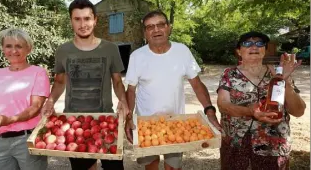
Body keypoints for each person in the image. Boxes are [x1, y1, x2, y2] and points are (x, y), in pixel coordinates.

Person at [124, 10, 222, 170]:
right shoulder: (137, 56)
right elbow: (131, 90)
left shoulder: (182, 51)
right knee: (151, 165)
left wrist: (210, 111)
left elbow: (197, 84)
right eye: (150, 27)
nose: (156, 30)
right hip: (146, 124)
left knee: (173, 167)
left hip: (176, 122)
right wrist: (129, 118)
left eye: (160, 25)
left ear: (169, 28)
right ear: (145, 33)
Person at [41, 0, 128, 170]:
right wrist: (50, 100)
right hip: (74, 123)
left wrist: (123, 100)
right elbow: (59, 81)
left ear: (95, 20)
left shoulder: (110, 48)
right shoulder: (63, 50)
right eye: (77, 19)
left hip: (106, 120)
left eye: (87, 18)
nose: (83, 24)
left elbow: (117, 81)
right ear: (71, 21)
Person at [217, 31, 306, 170]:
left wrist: (285, 82)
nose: (254, 47)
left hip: (273, 145)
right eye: (247, 43)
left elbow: (299, 111)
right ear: (239, 51)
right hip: (236, 143)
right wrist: (250, 111)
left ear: (264, 50)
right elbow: (223, 104)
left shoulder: (278, 73)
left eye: (259, 43)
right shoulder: (229, 74)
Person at [0, 28, 50, 170]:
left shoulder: (38, 73)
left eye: (19, 46)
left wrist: (8, 120)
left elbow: (35, 108)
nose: (13, 51)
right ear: (3, 48)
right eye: (8, 46)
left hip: (26, 139)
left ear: (29, 49)